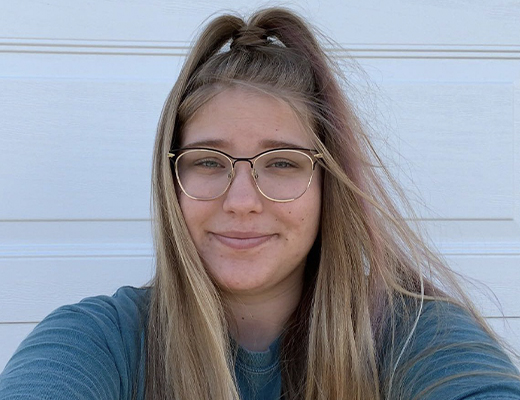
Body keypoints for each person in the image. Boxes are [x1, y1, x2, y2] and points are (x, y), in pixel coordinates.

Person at [1, 7, 519, 400]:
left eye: (283, 163)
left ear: (328, 184)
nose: (243, 201)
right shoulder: (99, 341)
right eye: (208, 162)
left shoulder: (413, 337)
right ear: (171, 180)